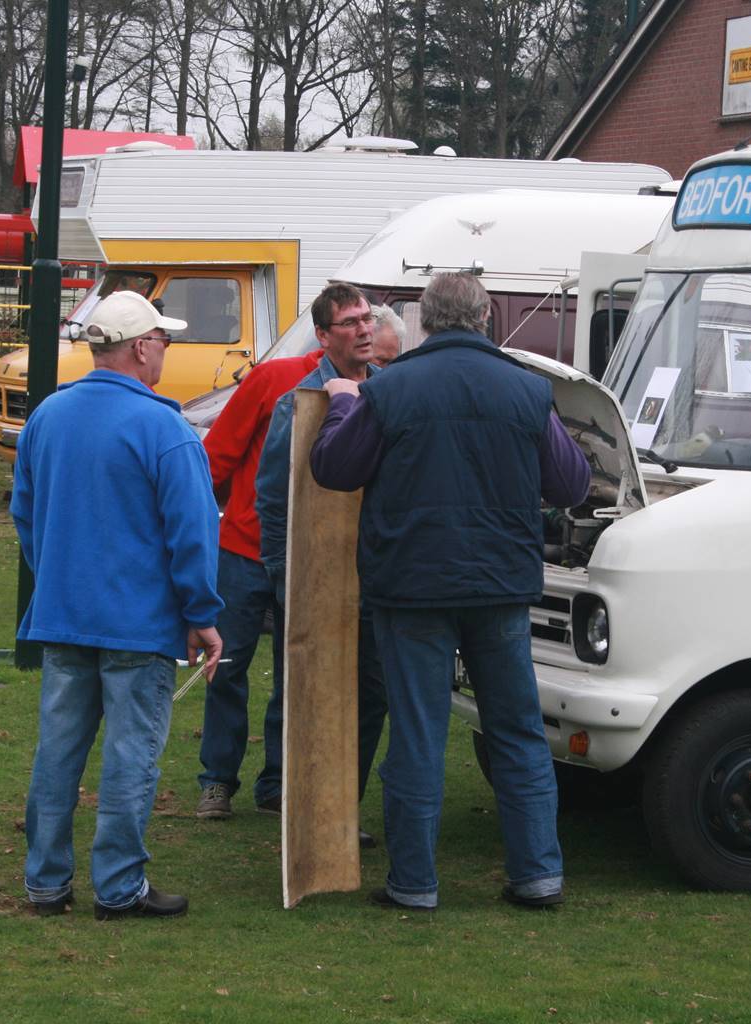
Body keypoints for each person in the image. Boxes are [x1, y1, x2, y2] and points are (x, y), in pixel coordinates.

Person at [310, 272, 590, 911]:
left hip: (412, 587)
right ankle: (538, 875)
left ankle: (414, 884)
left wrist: (347, 403)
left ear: (424, 323)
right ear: (486, 319)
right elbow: (572, 485)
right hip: (500, 586)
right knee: (517, 731)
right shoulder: (527, 390)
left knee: (417, 731)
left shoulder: (392, 388)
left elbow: (334, 469)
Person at [12, 290, 224, 920]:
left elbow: (25, 515)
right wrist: (202, 615)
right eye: (164, 340)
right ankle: (119, 886)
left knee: (58, 752)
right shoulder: (164, 426)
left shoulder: (48, 415)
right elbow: (192, 531)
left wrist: (56, 574)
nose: (166, 350)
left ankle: (46, 882)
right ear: (140, 347)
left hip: (65, 616)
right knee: (131, 757)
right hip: (138, 625)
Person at [254, 284, 389, 847]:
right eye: (350, 322)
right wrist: (287, 578)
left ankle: (342, 812)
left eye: (367, 318)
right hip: (314, 575)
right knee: (309, 693)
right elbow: (273, 495)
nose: (363, 329)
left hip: (375, 577)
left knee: (371, 695)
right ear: (324, 335)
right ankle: (306, 814)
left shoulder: (388, 391)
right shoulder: (300, 402)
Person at [193, 335, 324, 820]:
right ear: (331, 333)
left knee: (298, 672)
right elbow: (219, 454)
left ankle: (277, 782)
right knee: (226, 663)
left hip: (313, 556)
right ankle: (217, 781)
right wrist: (200, 527)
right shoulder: (273, 378)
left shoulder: (371, 387)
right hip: (246, 548)